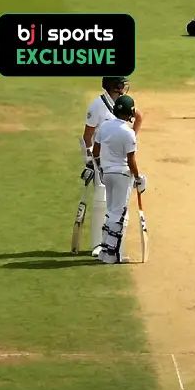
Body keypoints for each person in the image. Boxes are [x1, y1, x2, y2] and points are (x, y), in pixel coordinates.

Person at [81, 76, 143, 257]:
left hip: (114, 162)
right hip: (101, 162)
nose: (125, 86)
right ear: (115, 87)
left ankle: (108, 246)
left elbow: (138, 116)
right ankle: (102, 246)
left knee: (113, 208)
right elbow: (87, 138)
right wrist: (91, 162)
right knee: (108, 205)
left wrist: (129, 140)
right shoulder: (97, 106)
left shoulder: (123, 104)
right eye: (122, 83)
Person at [91, 95, 146, 264]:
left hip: (107, 174)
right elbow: (131, 160)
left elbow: (95, 152)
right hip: (122, 175)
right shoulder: (128, 133)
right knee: (119, 214)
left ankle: (104, 251)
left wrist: (101, 167)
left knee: (111, 212)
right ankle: (112, 255)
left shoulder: (104, 127)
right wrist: (138, 178)